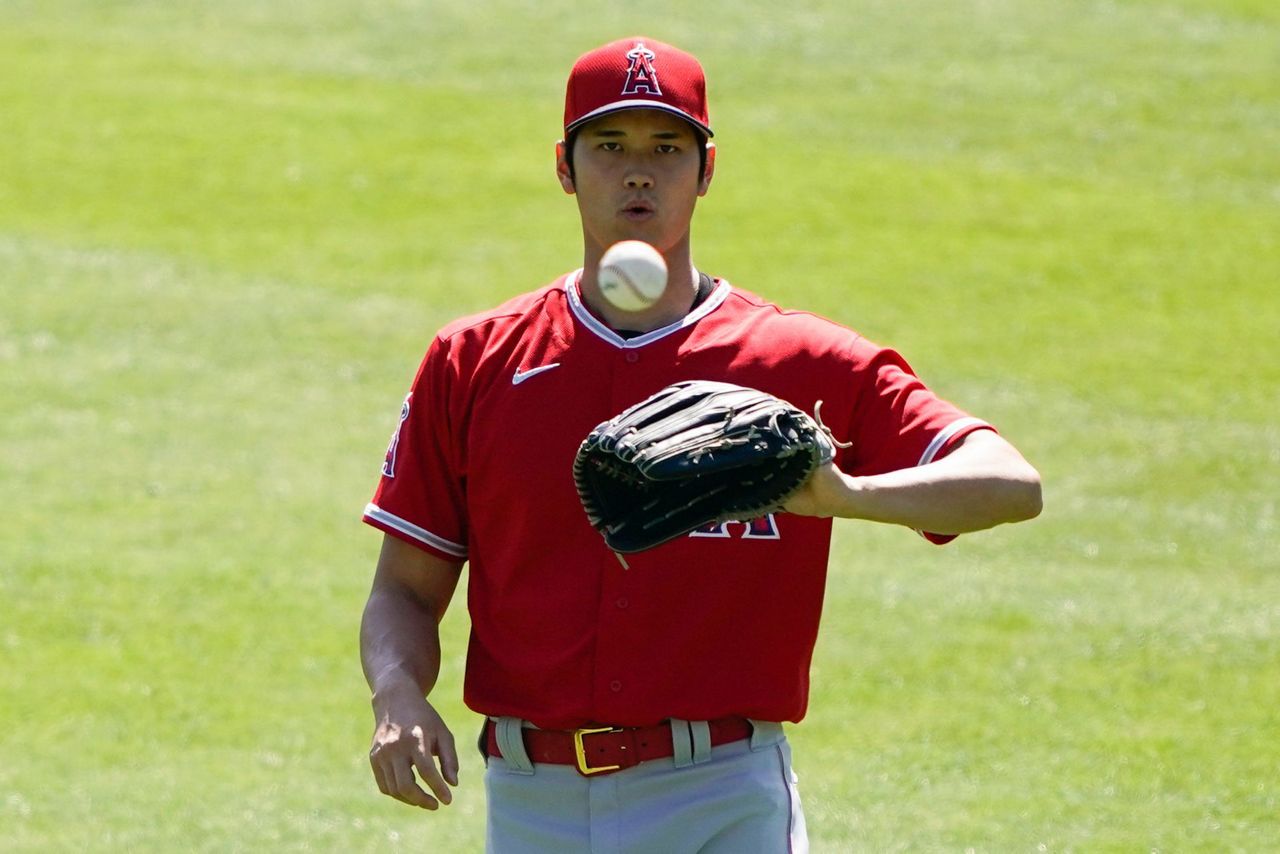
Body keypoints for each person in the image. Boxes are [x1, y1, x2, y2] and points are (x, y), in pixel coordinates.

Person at [359, 35, 1042, 852]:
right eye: (610, 146)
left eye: (667, 148)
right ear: (565, 167)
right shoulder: (474, 362)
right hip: (531, 801)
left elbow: (1008, 483)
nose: (638, 172)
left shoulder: (795, 361)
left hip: (720, 796)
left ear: (706, 169)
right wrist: (397, 694)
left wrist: (848, 497)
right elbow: (404, 586)